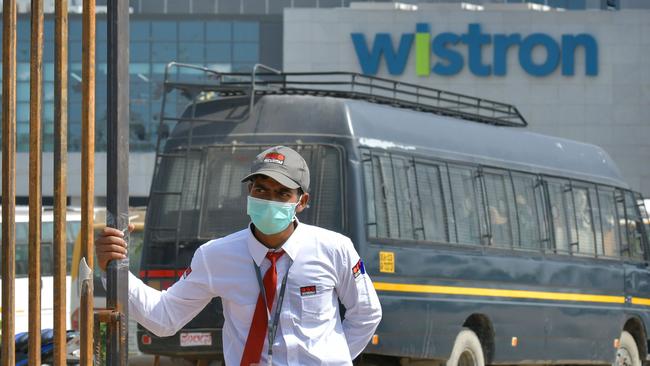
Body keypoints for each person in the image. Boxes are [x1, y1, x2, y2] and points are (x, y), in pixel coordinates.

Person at [96, 146, 382, 365]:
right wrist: (114, 268)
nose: (269, 200)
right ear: (250, 191)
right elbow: (164, 317)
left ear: (302, 202)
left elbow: (366, 313)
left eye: (282, 194)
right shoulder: (216, 256)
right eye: (261, 190)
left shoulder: (334, 249)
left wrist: (333, 358)